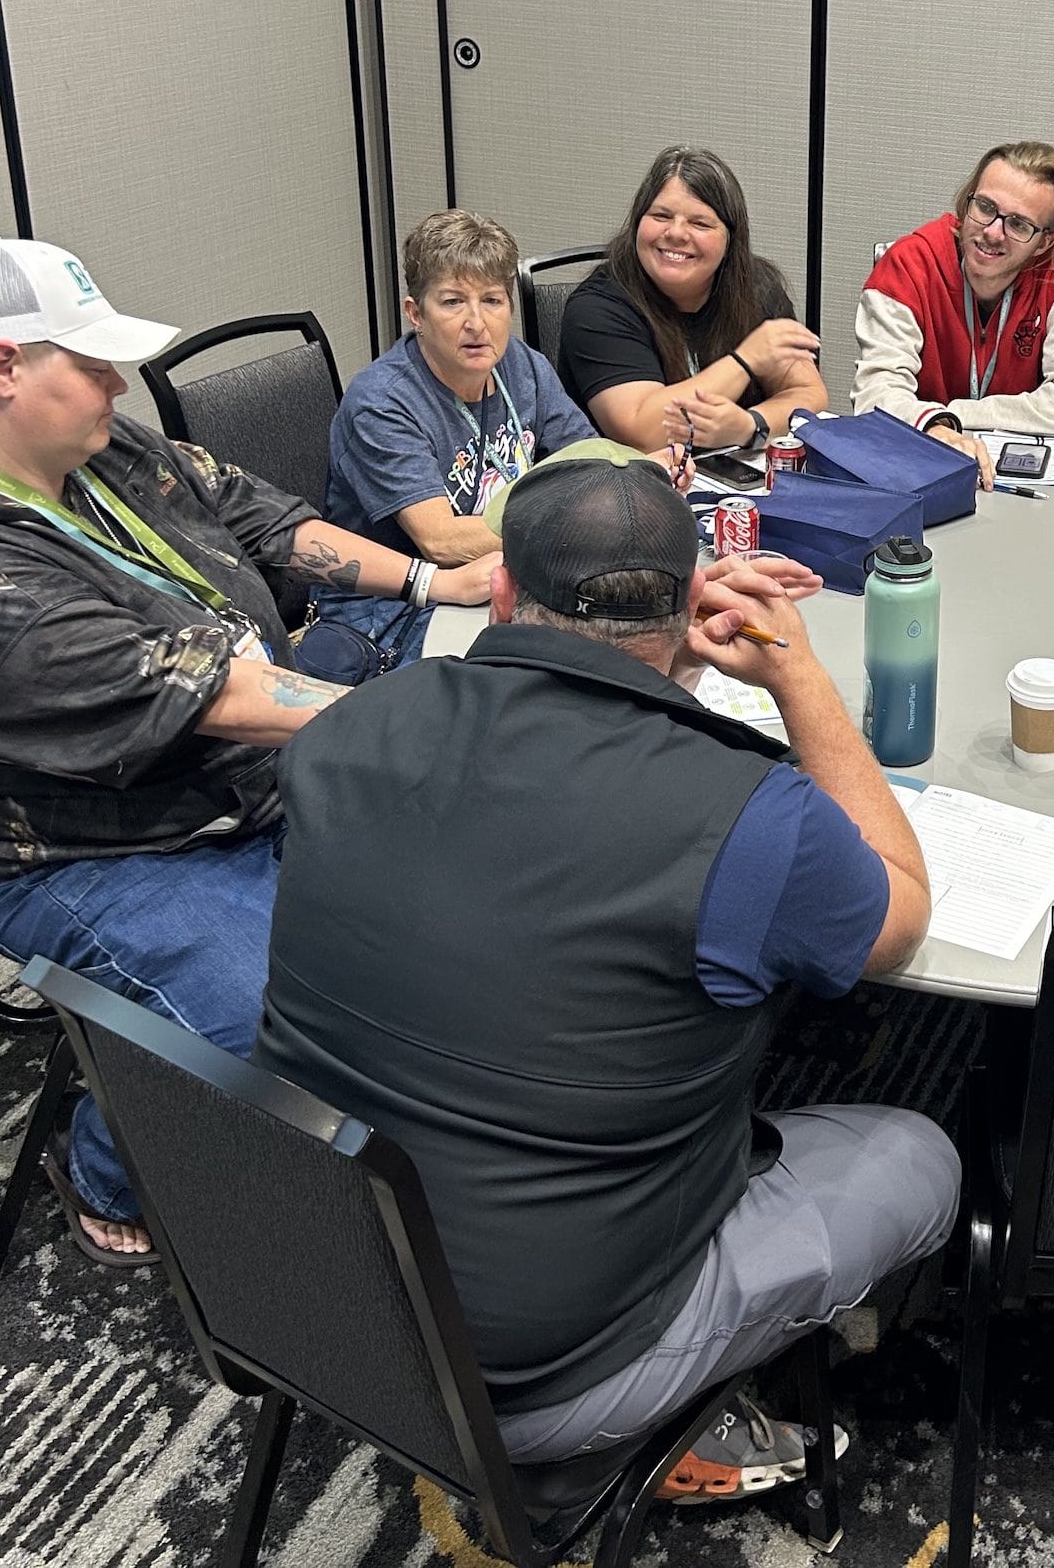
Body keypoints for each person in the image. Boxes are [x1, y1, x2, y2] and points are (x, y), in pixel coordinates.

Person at [255, 447, 960, 1500]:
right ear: (684, 613)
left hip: (311, 1282)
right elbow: (898, 912)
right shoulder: (747, 816)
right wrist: (795, 675)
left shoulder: (344, 727)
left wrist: (658, 659)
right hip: (534, 1380)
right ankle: (645, 1429)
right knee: (917, 1153)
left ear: (499, 592)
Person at [0, 235, 497, 1266]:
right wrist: (396, 725)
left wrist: (432, 585)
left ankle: (162, 1043)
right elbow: (208, 687)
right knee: (280, 1020)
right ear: (2, 368)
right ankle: (100, 1166)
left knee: (442, 906)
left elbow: (260, 516)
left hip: (235, 777)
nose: (113, 381)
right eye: (86, 363)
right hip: (100, 847)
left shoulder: (104, 450)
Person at [319, 209, 594, 660]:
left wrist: (639, 475)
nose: (477, 323)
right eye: (452, 302)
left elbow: (586, 464)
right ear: (416, 314)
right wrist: (566, 524)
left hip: (505, 576)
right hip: (395, 607)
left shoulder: (522, 367)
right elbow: (441, 541)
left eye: (492, 300)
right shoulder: (383, 402)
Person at [854, 140, 1054, 490]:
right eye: (985, 207)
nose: (992, 232)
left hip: (1013, 483)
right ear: (967, 199)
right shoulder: (908, 265)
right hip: (913, 474)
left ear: (1044, 242)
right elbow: (874, 396)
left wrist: (950, 416)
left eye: (1019, 224)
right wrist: (933, 426)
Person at [557, 146, 827, 462]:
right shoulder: (596, 308)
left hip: (730, 485)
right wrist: (746, 360)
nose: (676, 233)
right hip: (625, 489)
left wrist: (748, 426)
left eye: (699, 223)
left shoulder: (756, 288)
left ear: (730, 239)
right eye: (661, 216)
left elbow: (809, 394)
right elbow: (641, 433)